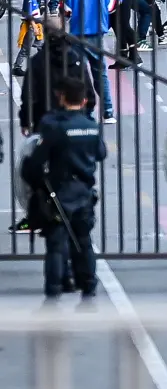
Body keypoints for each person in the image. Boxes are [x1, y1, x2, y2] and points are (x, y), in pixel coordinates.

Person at [21, 75, 106, 301]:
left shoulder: (54, 126)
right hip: (85, 191)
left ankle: (54, 289)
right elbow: (101, 153)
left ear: (61, 96)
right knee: (84, 241)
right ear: (85, 99)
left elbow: (36, 161)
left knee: (57, 245)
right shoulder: (90, 126)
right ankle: (88, 285)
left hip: (58, 192)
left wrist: (35, 183)